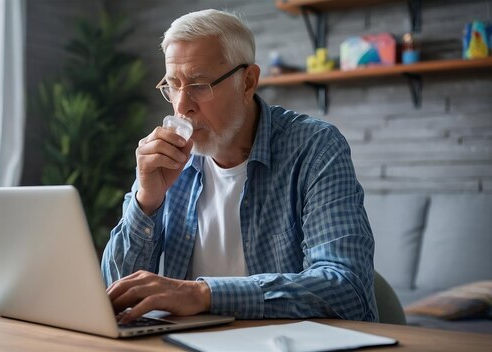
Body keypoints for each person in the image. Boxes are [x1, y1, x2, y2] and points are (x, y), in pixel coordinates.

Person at [101, 9, 378, 324]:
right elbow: (113, 293)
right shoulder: (165, 159)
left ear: (248, 82)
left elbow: (347, 287)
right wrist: (146, 202)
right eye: (173, 85)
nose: (181, 105)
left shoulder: (315, 147)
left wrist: (201, 294)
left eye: (199, 84)